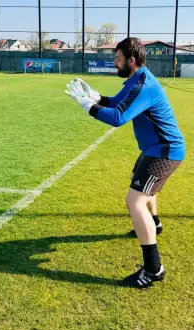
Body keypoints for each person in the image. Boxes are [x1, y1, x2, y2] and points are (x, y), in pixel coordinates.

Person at [65, 37, 185, 288]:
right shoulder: (136, 79)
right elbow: (116, 102)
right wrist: (95, 96)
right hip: (155, 149)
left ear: (131, 60)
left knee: (135, 201)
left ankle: (153, 269)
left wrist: (87, 106)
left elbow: (118, 117)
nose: (115, 63)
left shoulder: (143, 84)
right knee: (139, 183)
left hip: (164, 151)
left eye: (118, 59)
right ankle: (155, 224)